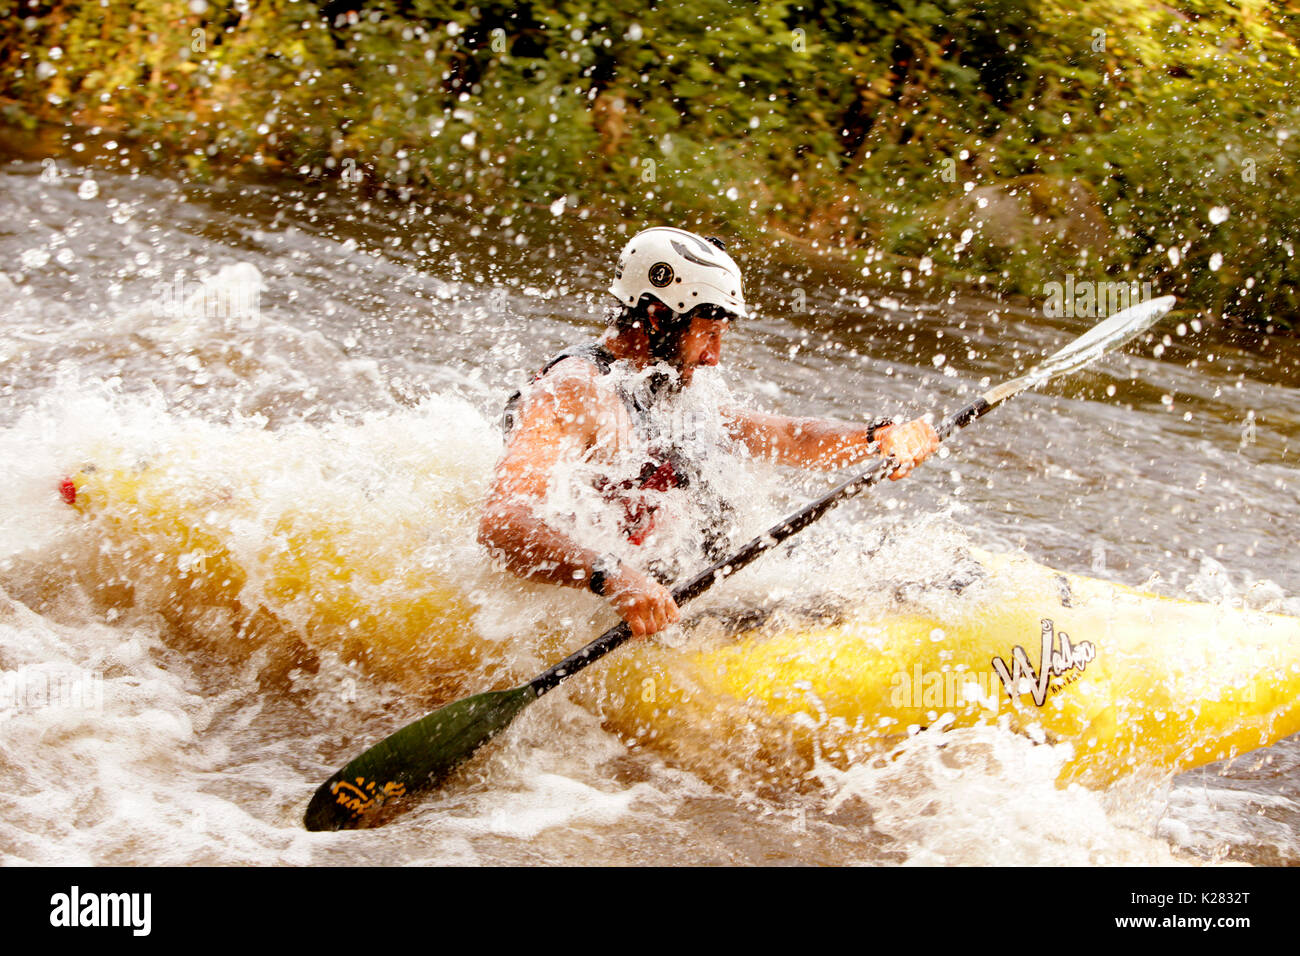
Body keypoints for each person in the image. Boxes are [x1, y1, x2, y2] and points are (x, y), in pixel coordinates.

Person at [479, 226, 940, 638]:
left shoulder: (668, 385)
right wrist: (611, 576)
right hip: (621, 609)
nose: (713, 357)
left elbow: (790, 436)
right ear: (659, 316)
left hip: (689, 587)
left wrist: (877, 436)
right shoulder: (574, 392)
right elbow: (502, 523)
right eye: (708, 334)